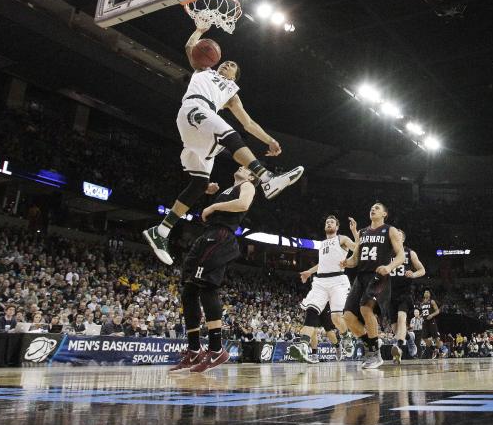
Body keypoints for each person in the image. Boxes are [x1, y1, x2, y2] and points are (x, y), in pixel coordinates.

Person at [141, 26, 304, 265]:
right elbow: (190, 47)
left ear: (234, 77)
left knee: (199, 183)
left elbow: (248, 123)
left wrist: (269, 140)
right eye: (225, 62)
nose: (226, 65)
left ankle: (162, 231)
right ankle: (267, 178)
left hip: (201, 129)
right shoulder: (203, 69)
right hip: (194, 110)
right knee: (228, 133)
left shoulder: (231, 94)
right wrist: (198, 30)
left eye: (232, 67)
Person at [170, 166, 256, 374]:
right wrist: (208, 194)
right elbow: (207, 215)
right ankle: (194, 349)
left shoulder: (248, 186)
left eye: (246, 167)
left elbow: (243, 204)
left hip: (221, 237)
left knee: (206, 287)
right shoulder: (226, 189)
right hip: (207, 235)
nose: (241, 165)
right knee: (188, 291)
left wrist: (214, 207)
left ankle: (217, 350)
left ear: (252, 176)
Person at [341, 202, 405, 370]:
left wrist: (389, 267)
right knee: (347, 316)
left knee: (365, 309)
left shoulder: (390, 230)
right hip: (360, 277)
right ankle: (372, 344)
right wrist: (345, 263)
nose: (373, 209)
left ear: (384, 214)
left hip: (379, 275)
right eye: (372, 207)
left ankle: (375, 354)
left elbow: (401, 256)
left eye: (377, 208)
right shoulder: (362, 232)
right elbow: (355, 259)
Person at [290, 215, 358, 364]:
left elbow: (357, 249)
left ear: (337, 226)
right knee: (311, 311)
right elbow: (323, 264)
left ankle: (346, 336)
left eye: (332, 222)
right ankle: (302, 345)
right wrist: (309, 271)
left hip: (338, 281)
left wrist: (354, 232)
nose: (329, 223)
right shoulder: (322, 244)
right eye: (327, 222)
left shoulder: (342, 239)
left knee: (336, 318)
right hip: (320, 281)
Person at [387, 235, 425, 364]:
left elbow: (422, 270)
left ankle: (399, 346)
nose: (395, 236)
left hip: (404, 293)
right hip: (390, 294)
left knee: (401, 318)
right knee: (395, 329)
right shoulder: (385, 252)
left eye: (399, 234)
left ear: (403, 239)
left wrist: (413, 274)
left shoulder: (410, 253)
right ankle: (409, 338)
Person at [418, 290, 442, 359]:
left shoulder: (432, 301)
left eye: (428, 292)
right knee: (424, 338)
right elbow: (424, 312)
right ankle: (434, 350)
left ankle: (439, 351)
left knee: (436, 338)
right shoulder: (422, 303)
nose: (426, 293)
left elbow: (437, 311)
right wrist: (421, 315)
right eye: (425, 292)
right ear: (423, 294)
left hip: (431, 321)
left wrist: (431, 315)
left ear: (430, 294)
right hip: (425, 322)